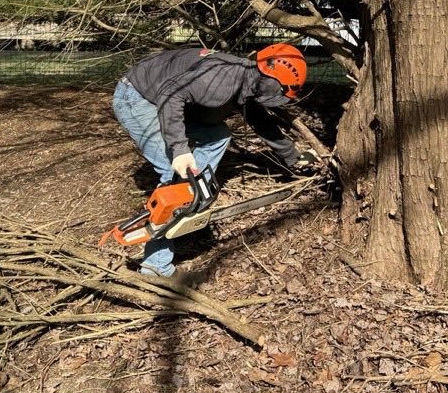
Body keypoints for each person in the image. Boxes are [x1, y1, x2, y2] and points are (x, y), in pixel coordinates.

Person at [112, 43, 318, 277]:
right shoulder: (221, 81)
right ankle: (155, 266)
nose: (278, 98)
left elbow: (261, 122)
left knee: (216, 135)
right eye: (280, 91)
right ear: (269, 77)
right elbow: (170, 93)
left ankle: (191, 195)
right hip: (137, 98)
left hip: (165, 99)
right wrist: (179, 150)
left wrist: (293, 158)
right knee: (171, 175)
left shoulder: (247, 80)